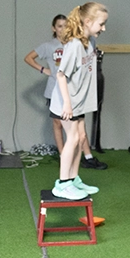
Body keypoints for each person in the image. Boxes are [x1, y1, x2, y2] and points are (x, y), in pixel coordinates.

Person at [23, 14, 106, 169]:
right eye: (59, 26)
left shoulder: (75, 43)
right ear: (54, 28)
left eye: (65, 25)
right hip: (55, 91)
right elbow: (28, 58)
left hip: (73, 92)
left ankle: (87, 157)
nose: (62, 29)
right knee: (58, 124)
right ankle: (64, 157)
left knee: (79, 127)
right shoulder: (48, 46)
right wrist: (44, 70)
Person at [50, 2, 109, 201]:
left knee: (81, 139)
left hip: (79, 101)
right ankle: (62, 184)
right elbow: (60, 75)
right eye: (101, 24)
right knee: (73, 139)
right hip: (67, 103)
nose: (104, 28)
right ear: (88, 21)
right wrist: (67, 104)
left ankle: (73, 179)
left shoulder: (88, 43)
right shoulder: (74, 45)